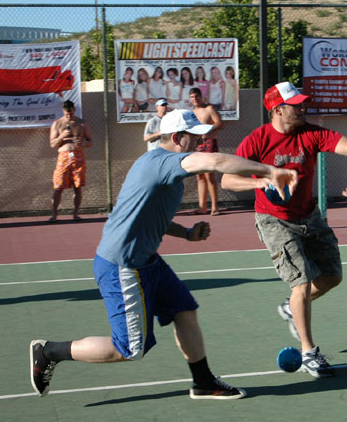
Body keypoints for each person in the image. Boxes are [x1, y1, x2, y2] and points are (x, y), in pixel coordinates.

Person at [30, 109, 297, 400]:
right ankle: (48, 352)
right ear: (178, 138)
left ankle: (204, 382)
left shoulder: (156, 164)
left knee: (184, 311)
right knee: (131, 349)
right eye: (194, 138)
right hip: (124, 265)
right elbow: (217, 161)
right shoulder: (165, 162)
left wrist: (185, 234)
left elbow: (148, 215)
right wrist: (270, 171)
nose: (199, 143)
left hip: (147, 261)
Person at [221, 82, 347, 378]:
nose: (302, 108)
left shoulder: (311, 133)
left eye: (301, 103)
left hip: (309, 216)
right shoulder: (257, 140)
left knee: (332, 276)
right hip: (274, 220)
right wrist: (260, 181)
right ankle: (309, 353)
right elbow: (227, 181)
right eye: (296, 104)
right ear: (277, 109)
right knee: (301, 282)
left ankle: (291, 308)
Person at [49, 100, 93, 223]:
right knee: (58, 186)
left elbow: (90, 141)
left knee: (77, 186)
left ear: (74, 110)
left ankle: (76, 213)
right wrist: (62, 136)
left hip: (78, 156)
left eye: (71, 112)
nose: (69, 115)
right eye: (67, 113)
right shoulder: (57, 124)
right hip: (63, 157)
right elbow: (52, 144)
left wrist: (83, 143)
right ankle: (54, 214)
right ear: (63, 111)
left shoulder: (81, 123)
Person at [189, 87, 223, 216]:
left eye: (197, 96)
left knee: (209, 175)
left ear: (201, 96)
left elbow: (219, 123)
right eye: (192, 97)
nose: (195, 99)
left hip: (209, 143)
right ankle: (202, 207)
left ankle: (215, 207)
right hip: (197, 145)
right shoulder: (192, 113)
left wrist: (206, 129)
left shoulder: (209, 109)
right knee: (200, 176)